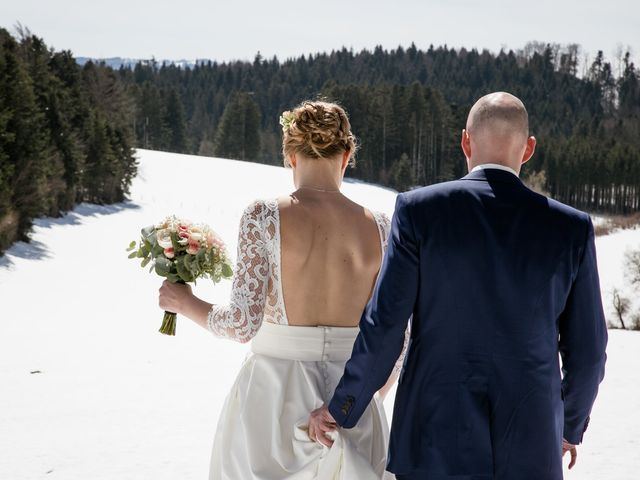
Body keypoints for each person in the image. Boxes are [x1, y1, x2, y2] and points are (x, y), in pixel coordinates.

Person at [308, 92, 608, 480]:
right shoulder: (571, 228)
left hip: (433, 438)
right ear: (528, 149)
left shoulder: (418, 211)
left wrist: (342, 406)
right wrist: (566, 428)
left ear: (465, 140)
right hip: (531, 443)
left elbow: (385, 325)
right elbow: (589, 352)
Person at [158, 100, 408, 479]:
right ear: (347, 155)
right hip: (350, 403)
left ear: (290, 155)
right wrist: (369, 396)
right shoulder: (380, 227)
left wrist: (185, 301)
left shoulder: (264, 216)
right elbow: (397, 336)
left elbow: (242, 324)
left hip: (274, 400)